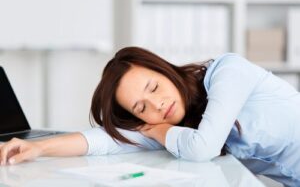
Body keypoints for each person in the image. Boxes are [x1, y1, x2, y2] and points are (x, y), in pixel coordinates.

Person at [0, 47, 299, 186]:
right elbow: (107, 140)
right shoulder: (179, 126)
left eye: (154, 87)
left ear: (164, 70)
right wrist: (38, 148)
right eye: (141, 108)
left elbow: (203, 148)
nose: (157, 105)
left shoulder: (228, 71)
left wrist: (156, 131)